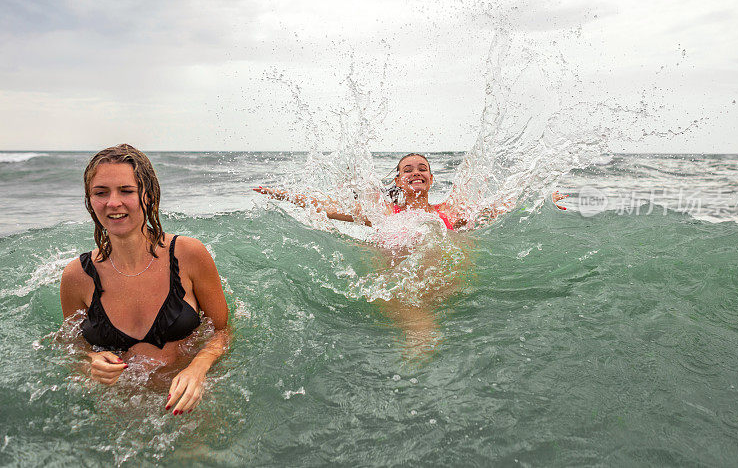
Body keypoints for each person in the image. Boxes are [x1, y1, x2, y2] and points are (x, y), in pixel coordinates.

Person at [59, 144, 229, 415]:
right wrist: (89, 360)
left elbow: (222, 332)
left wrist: (198, 368)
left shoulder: (188, 254)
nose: (113, 203)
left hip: (188, 407)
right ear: (90, 200)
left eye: (126, 191)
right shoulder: (77, 276)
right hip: (118, 415)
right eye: (101, 193)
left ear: (149, 196)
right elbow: (71, 346)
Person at [254, 152, 568, 228]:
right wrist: (281, 193)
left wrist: (545, 200)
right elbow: (326, 207)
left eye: (422, 169)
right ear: (399, 182)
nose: (415, 173)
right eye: (408, 170)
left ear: (431, 179)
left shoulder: (450, 213)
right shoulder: (382, 213)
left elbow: (502, 208)